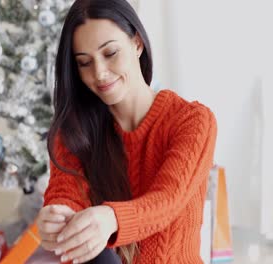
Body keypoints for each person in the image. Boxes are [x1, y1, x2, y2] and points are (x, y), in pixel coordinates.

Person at [37, 0, 218, 263]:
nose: (99, 73)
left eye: (110, 53)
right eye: (85, 63)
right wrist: (56, 218)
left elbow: (167, 200)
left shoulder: (192, 120)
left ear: (137, 43)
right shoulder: (75, 130)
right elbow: (66, 194)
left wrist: (111, 218)